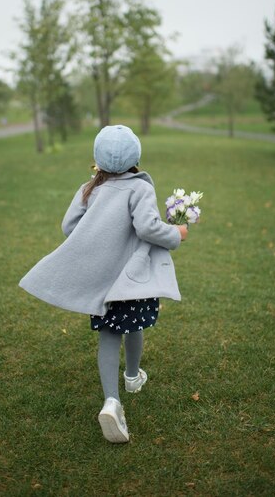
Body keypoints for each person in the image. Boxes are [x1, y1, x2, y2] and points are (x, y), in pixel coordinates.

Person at [19, 124, 187, 443]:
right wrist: (175, 234)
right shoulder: (139, 188)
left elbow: (70, 226)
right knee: (134, 325)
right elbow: (149, 228)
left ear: (97, 158)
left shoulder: (89, 189)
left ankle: (112, 401)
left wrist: (96, 241)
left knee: (110, 336)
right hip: (132, 279)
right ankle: (133, 376)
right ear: (135, 156)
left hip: (103, 283)